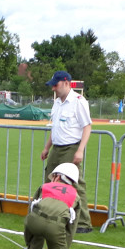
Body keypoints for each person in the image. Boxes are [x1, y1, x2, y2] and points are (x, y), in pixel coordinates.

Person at [40, 70, 93, 233]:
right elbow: (55, 128)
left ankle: (83, 223)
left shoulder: (78, 101)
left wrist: (80, 150)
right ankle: (49, 214)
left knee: (74, 183)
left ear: (66, 83)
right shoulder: (57, 103)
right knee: (50, 180)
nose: (53, 89)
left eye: (55, 85)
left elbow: (87, 127)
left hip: (71, 147)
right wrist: (47, 147)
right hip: (56, 147)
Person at [24, 162, 81, 249]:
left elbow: (32, 209)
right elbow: (71, 225)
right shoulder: (76, 196)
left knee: (37, 230)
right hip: (55, 226)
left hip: (34, 221)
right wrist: (64, 247)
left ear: (58, 176)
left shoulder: (44, 186)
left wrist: (28, 241)